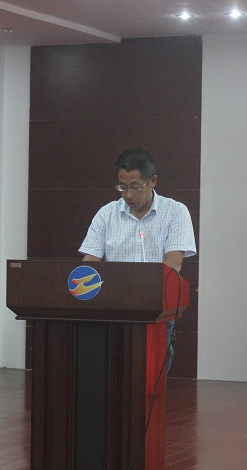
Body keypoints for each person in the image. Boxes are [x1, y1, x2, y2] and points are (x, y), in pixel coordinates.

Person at [79, 148, 197, 374]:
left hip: (157, 312)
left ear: (152, 181)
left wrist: (139, 291)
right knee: (111, 376)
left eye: (135, 186)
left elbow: (173, 265)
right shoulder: (106, 214)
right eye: (122, 187)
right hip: (113, 310)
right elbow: (89, 263)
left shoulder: (175, 212)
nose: (128, 195)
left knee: (151, 380)